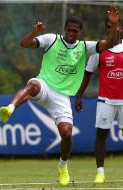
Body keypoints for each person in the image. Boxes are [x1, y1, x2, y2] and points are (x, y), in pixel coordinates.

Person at [0, 5, 119, 186]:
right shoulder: (51, 39)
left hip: (62, 97)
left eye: (75, 31)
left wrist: (113, 23)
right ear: (64, 29)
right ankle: (9, 108)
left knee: (67, 134)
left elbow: (108, 44)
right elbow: (24, 44)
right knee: (32, 84)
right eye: (69, 30)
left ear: (80, 32)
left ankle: (63, 166)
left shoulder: (85, 47)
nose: (72, 33)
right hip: (45, 86)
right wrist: (33, 33)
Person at [75, 18, 123, 184]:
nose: (111, 29)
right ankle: (100, 173)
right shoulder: (100, 50)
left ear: (120, 29)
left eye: (114, 26)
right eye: (108, 27)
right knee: (101, 135)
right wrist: (79, 95)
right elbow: (88, 74)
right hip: (106, 101)